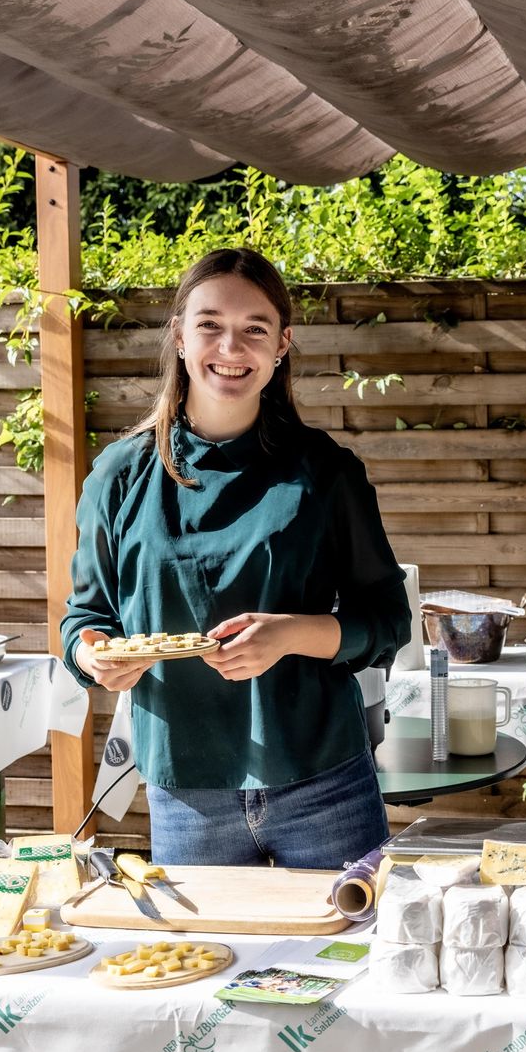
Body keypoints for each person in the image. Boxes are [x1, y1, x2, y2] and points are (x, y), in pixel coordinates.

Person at [60, 247, 409, 867]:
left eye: (255, 330)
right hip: (186, 788)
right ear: (180, 337)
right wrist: (93, 655)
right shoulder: (119, 475)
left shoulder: (326, 473)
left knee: (352, 954)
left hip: (324, 779)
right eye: (210, 325)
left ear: (282, 345)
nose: (231, 348)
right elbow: (84, 619)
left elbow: (386, 621)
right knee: (202, 962)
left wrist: (290, 634)